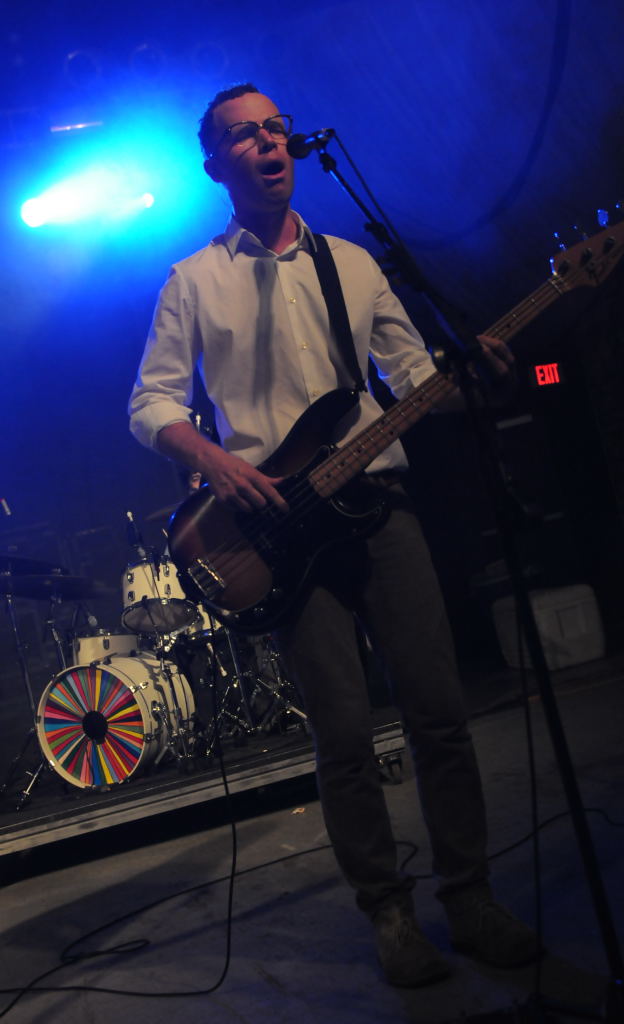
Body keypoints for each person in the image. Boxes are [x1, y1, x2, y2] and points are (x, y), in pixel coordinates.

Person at [129, 83, 538, 987]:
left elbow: (418, 378)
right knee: (345, 735)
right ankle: (389, 912)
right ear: (216, 165)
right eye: (245, 135)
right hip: (280, 527)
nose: (269, 142)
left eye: (276, 128)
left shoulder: (352, 262)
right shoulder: (194, 280)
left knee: (439, 711)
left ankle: (469, 897)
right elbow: (150, 403)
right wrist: (216, 460)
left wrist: (481, 375)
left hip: (381, 505)